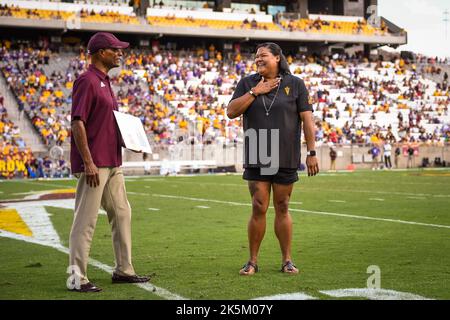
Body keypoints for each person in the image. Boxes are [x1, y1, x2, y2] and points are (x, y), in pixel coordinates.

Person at [227, 42, 318, 276]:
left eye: (263, 55)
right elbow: (231, 112)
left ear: (277, 58)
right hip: (257, 148)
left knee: (283, 206)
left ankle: (287, 259)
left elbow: (307, 120)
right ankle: (252, 261)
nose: (258, 59)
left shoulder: (295, 84)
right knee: (258, 206)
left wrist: (312, 152)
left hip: (285, 152)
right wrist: (256, 92)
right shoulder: (247, 83)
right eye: (256, 56)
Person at [68, 32, 150, 293]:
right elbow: (77, 122)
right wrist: (88, 162)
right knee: (86, 221)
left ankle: (124, 270)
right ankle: (76, 278)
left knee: (123, 213)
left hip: (113, 161)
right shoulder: (87, 81)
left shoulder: (104, 82)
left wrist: (132, 140)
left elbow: (106, 124)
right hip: (95, 164)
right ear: (101, 52)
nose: (120, 53)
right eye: (115, 49)